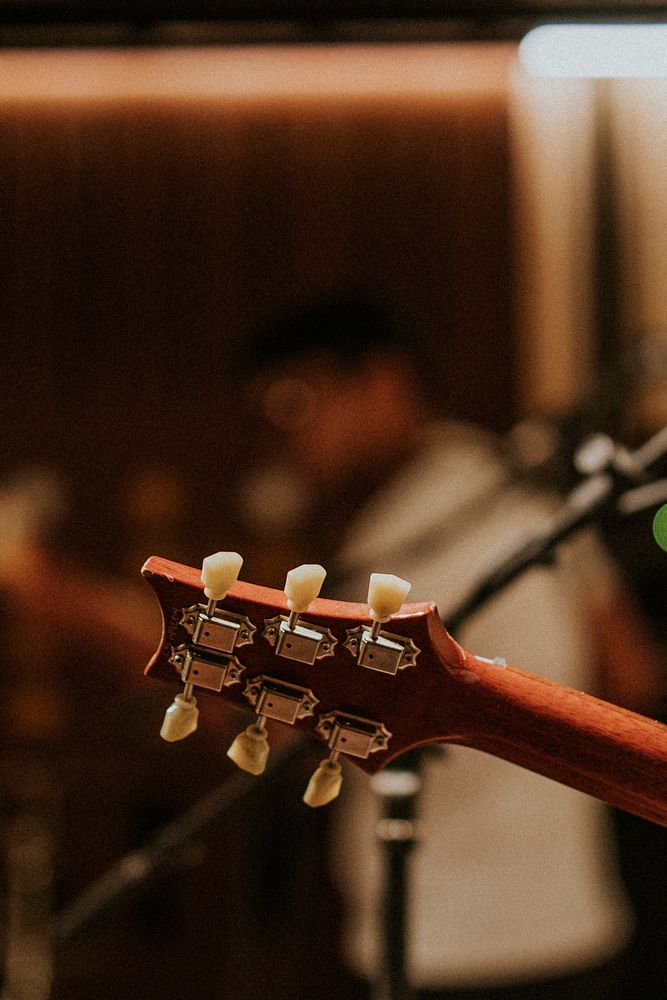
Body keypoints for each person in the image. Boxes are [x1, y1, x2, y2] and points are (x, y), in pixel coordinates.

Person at [242, 293, 663, 1000]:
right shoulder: (520, 495)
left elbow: (280, 729)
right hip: (571, 917)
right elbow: (629, 671)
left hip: (447, 935)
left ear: (381, 383)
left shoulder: (399, 539)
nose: (288, 438)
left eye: (296, 404)